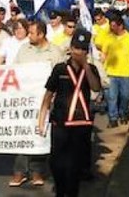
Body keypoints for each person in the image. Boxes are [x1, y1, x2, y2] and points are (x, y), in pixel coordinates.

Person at [38, 29, 101, 197]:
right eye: (76, 48)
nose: (78, 52)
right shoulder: (60, 69)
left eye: (82, 49)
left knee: (74, 166)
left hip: (80, 125)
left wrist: (86, 65)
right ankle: (60, 190)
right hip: (60, 123)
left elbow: (95, 87)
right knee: (56, 163)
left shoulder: (91, 69)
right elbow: (48, 95)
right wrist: (41, 120)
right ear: (70, 49)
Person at [10, 21, 62, 188]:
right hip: (25, 100)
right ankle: (19, 171)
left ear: (41, 35)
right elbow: (15, 72)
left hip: (45, 102)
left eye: (32, 33)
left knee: (40, 134)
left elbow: (61, 76)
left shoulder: (55, 52)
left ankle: (36, 171)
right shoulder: (24, 50)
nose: (29, 35)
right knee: (23, 133)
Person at [97, 13, 129, 128]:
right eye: (111, 26)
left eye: (114, 26)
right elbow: (104, 54)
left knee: (125, 96)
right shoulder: (108, 38)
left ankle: (123, 114)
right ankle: (113, 118)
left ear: (121, 26)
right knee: (112, 97)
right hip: (111, 73)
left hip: (126, 73)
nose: (112, 28)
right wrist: (100, 67)